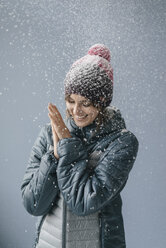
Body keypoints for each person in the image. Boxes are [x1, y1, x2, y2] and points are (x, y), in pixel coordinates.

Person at [21, 44, 139, 248]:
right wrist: (53, 158)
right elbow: (33, 204)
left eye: (85, 103)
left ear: (102, 101)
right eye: (70, 100)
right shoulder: (49, 133)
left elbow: (82, 203)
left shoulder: (122, 143)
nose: (76, 111)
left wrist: (67, 144)